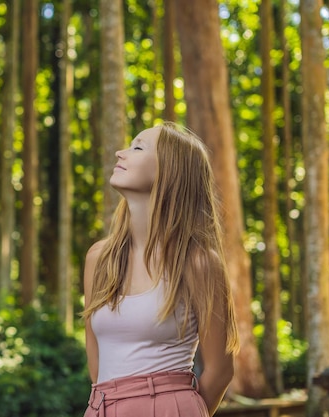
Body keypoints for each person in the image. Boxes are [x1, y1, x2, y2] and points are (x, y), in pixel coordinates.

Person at [82, 121, 239, 417]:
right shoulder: (98, 258)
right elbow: (97, 364)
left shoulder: (199, 263)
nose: (120, 153)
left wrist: (178, 409)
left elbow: (220, 371)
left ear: (171, 172)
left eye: (137, 147)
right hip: (103, 407)